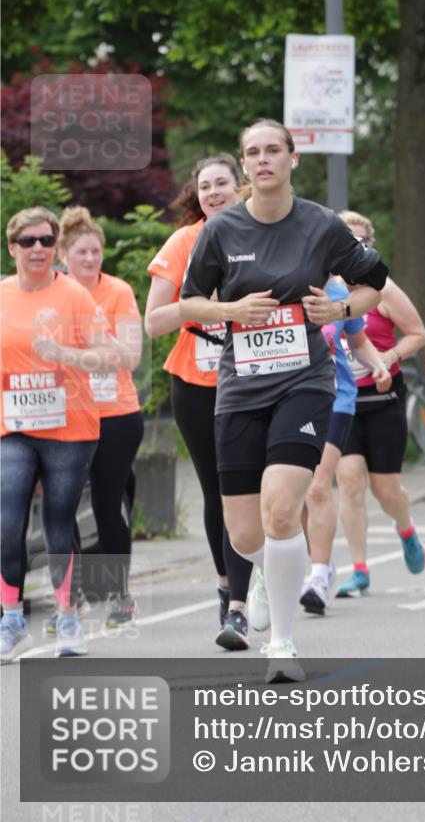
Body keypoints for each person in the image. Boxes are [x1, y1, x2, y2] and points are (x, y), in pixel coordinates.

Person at [179, 118, 387, 681]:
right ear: (244, 164)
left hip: (305, 382)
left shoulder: (321, 225)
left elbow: (375, 283)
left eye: (274, 150)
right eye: (253, 152)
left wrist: (341, 310)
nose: (263, 159)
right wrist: (229, 312)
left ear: (293, 159)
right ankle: (277, 571)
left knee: (279, 510)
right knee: (245, 535)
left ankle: (284, 646)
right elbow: (189, 304)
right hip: (241, 387)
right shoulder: (220, 230)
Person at [1, 207, 121, 661]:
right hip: (12, 425)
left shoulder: (73, 295)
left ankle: (69, 619)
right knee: (7, 520)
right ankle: (11, 620)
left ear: (56, 247)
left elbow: (110, 355)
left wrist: (65, 353)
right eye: (28, 241)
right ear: (12, 247)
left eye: (47, 241)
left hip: (70, 426)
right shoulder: (2, 295)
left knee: (56, 520)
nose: (38, 249)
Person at [146, 154, 253, 650]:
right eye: (204, 185)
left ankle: (265, 576)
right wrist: (210, 309)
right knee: (219, 489)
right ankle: (232, 596)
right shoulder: (184, 241)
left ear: (241, 186)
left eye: (221, 183)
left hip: (260, 374)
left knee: (262, 486)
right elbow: (154, 321)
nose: (213, 192)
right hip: (198, 379)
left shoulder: (264, 232)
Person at [56, 207, 144, 628]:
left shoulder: (119, 292)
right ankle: (70, 597)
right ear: (63, 257)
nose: (90, 260)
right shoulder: (50, 294)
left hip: (115, 412)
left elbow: (129, 356)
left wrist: (89, 334)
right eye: (81, 253)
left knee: (108, 507)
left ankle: (120, 596)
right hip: (65, 413)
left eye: (95, 252)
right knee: (63, 507)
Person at [334, 211, 425, 598]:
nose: (354, 250)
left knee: (386, 491)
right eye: (346, 242)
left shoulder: (383, 289)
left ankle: (405, 528)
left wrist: (387, 359)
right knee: (350, 482)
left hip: (383, 397)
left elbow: (417, 334)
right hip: (342, 399)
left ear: (370, 247)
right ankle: (359, 569)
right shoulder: (325, 289)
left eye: (361, 242)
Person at [300, 275, 392, 614]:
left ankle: (320, 577)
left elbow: (358, 340)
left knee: (318, 487)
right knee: (293, 495)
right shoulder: (274, 283)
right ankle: (308, 563)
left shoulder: (338, 292)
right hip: (289, 399)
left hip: (335, 397)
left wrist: (379, 365)